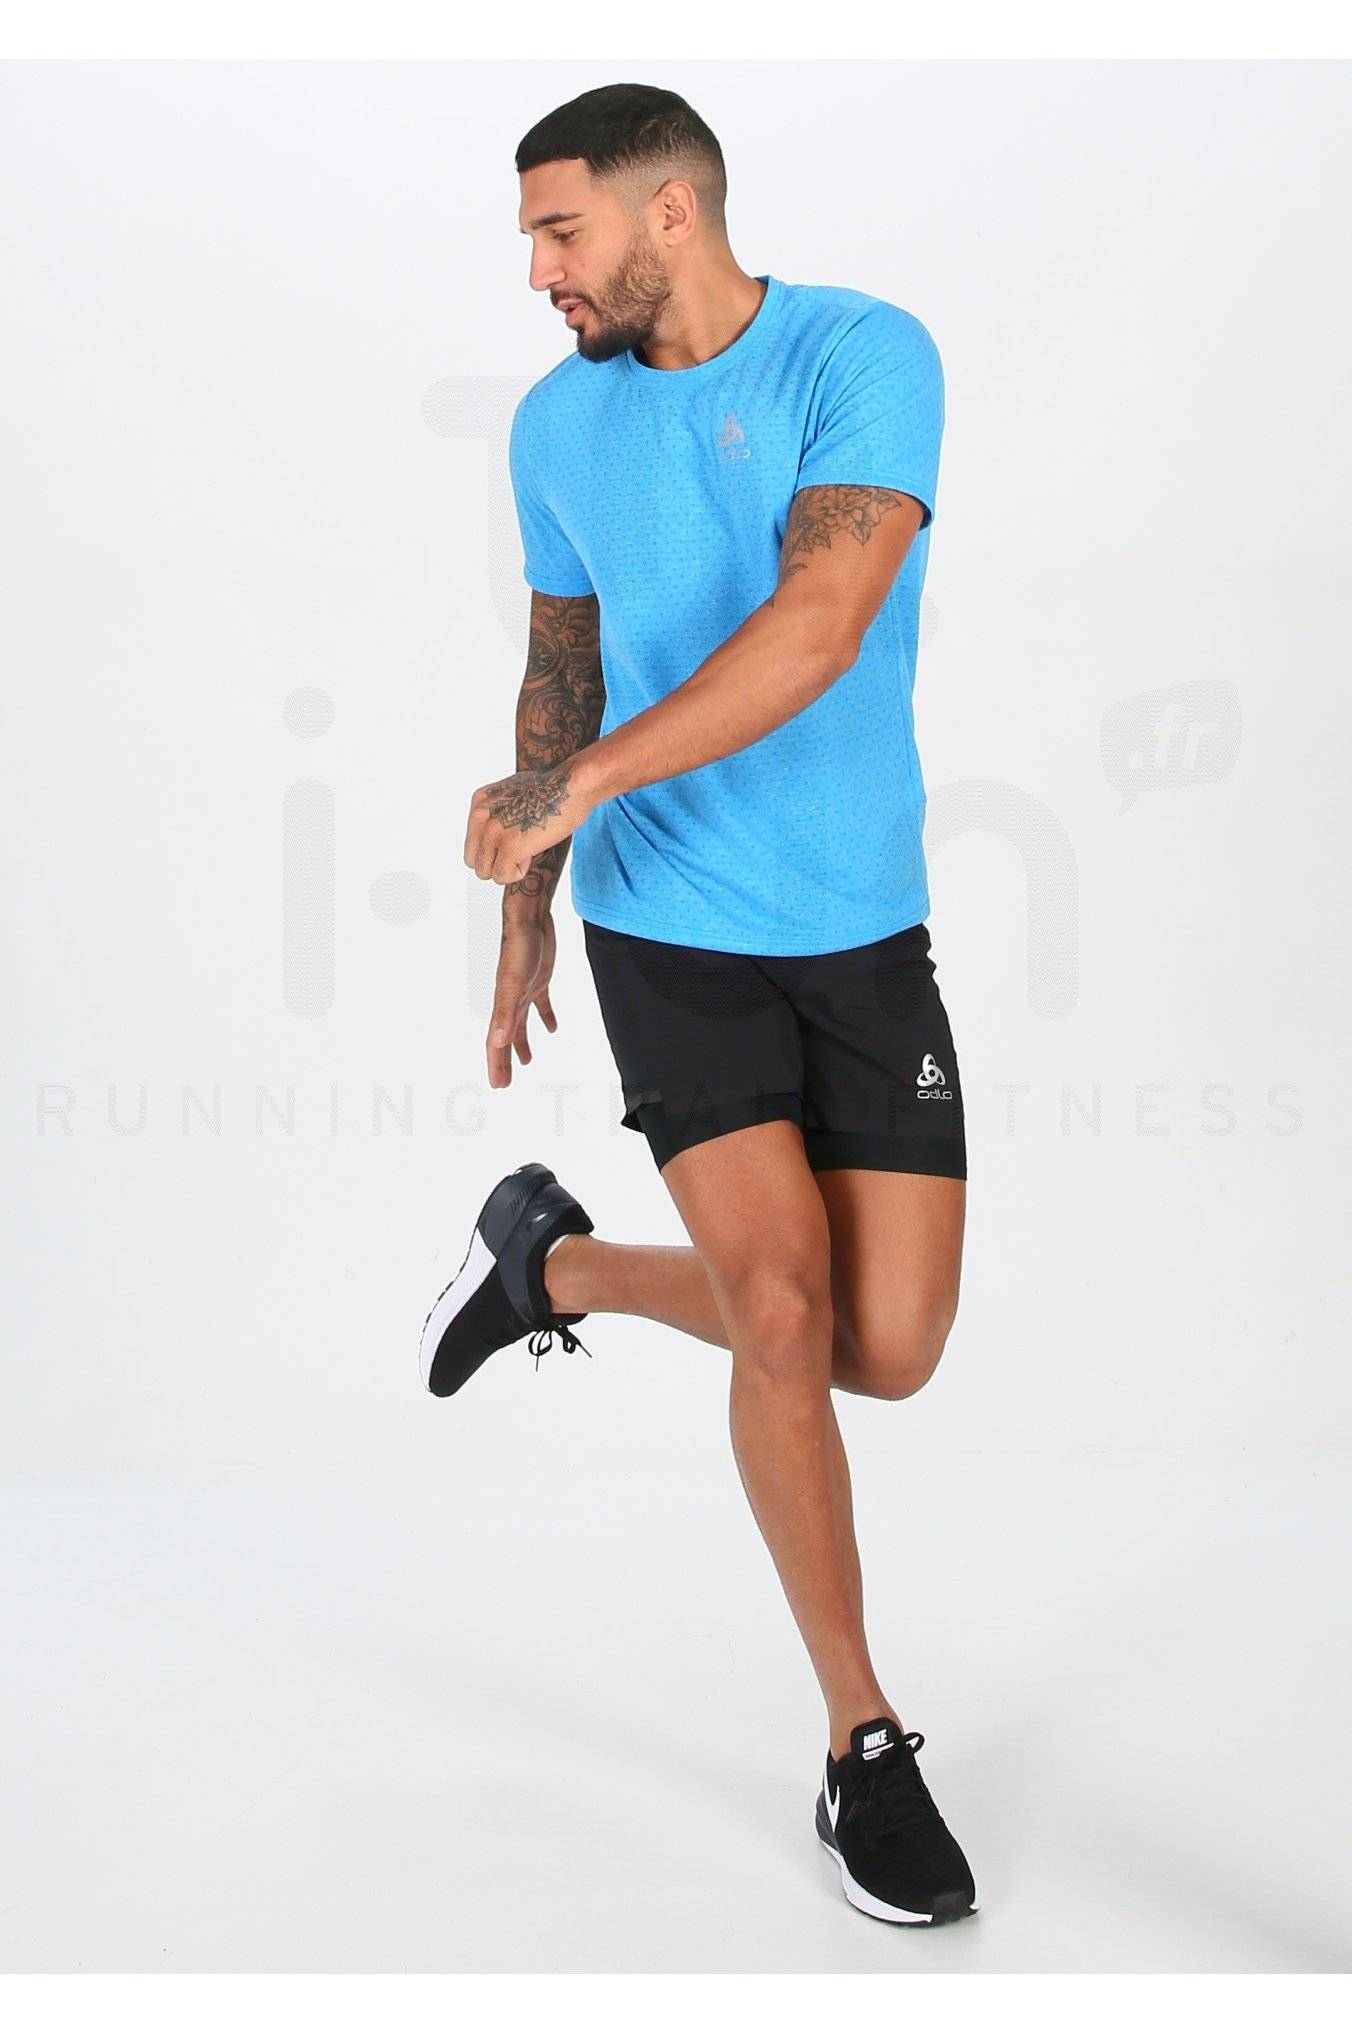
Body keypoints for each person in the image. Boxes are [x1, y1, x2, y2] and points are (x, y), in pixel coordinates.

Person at [419, 81, 978, 1928]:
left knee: (887, 1341)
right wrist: (532, 909)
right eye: (530, 237)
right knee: (784, 1305)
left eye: (559, 230)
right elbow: (558, 666)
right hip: (669, 930)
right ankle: (862, 1738)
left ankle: (553, 1267)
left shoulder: (862, 356)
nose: (537, 271)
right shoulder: (555, 426)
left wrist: (562, 794)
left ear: (672, 213)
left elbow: (820, 625)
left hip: (862, 924)